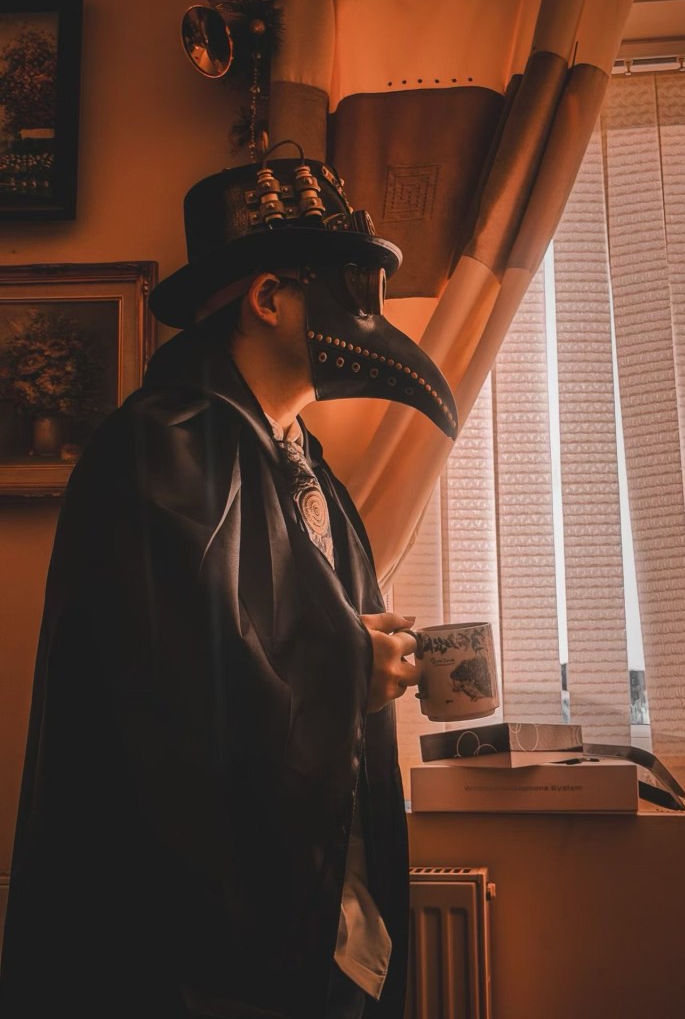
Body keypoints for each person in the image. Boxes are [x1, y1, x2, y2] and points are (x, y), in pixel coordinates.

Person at [0, 145, 457, 1018]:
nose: (364, 310)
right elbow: (169, 688)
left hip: (323, 907)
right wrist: (344, 670)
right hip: (199, 947)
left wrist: (362, 649)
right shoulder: (159, 449)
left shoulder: (304, 462)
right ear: (269, 296)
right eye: (343, 283)